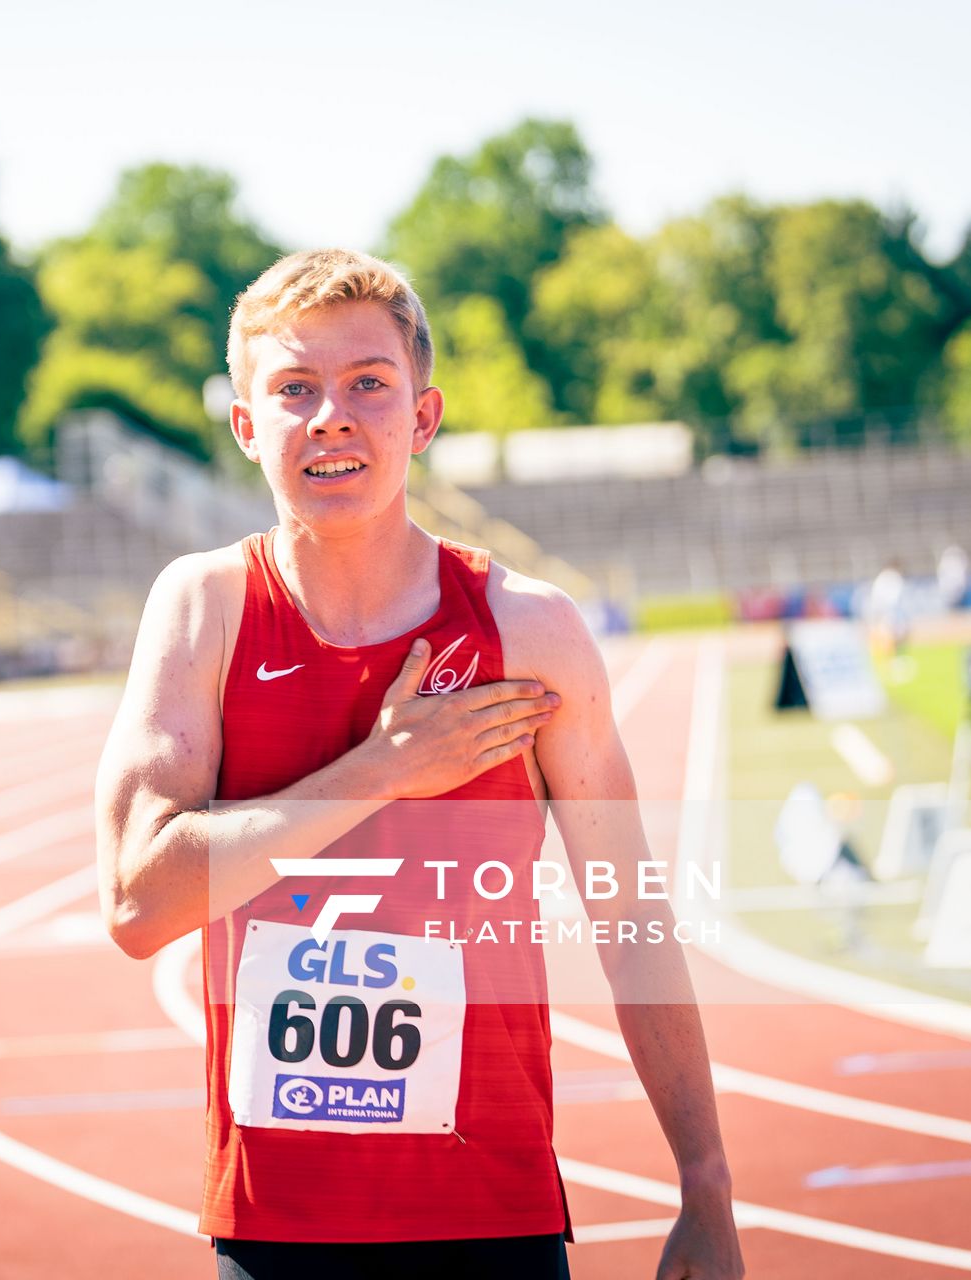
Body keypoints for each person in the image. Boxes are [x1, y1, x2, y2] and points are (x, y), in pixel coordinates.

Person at [96, 250, 742, 1280]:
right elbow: (138, 901)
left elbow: (631, 924)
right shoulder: (205, 609)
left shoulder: (527, 631)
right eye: (295, 389)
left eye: (368, 385)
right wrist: (384, 765)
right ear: (246, 426)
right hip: (278, 1229)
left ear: (423, 417)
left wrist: (705, 1185)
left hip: (494, 1215)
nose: (333, 417)